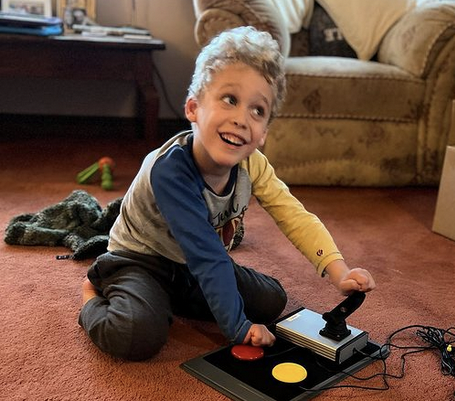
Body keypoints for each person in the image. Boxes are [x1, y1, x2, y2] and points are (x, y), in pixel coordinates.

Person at [79, 26, 375, 360]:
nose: (241, 119)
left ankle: (168, 297)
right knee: (136, 335)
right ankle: (93, 293)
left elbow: (294, 215)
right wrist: (237, 327)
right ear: (193, 108)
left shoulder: (253, 164)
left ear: (263, 133)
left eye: (257, 110)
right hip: (140, 261)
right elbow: (208, 255)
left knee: (271, 301)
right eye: (230, 100)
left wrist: (340, 272)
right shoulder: (170, 170)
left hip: (190, 267)